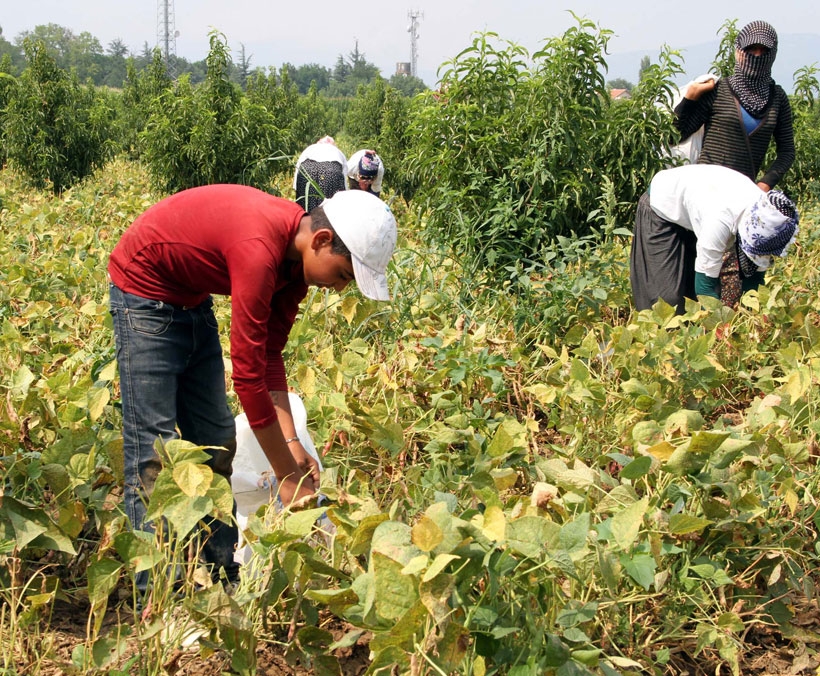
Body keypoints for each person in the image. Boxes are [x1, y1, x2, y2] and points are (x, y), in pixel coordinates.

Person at [108, 186, 397, 588]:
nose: (341, 288)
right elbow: (246, 377)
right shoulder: (260, 249)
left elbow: (268, 356)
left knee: (216, 439)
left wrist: (293, 446)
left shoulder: (295, 269)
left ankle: (225, 574)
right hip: (143, 292)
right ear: (322, 240)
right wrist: (286, 476)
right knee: (152, 452)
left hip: (191, 299)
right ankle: (156, 594)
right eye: (344, 274)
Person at [672, 20, 796, 307]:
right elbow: (678, 132)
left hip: (747, 198)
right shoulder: (719, 90)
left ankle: (743, 330)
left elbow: (786, 152)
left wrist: (764, 185)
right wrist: (689, 99)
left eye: (762, 51)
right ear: (737, 52)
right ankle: (705, 326)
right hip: (708, 190)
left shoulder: (777, 99)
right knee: (708, 262)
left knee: (750, 265)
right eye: (749, 49)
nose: (755, 56)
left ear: (772, 55)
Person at [630, 164, 798, 314]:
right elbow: (705, 288)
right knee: (666, 300)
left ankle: (691, 337)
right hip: (663, 203)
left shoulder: (768, 219)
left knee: (691, 293)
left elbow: (754, 281)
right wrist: (717, 330)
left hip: (697, 203)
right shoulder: (718, 221)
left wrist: (752, 317)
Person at [294, 136, 348, 212]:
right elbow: (343, 189)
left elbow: (296, 184)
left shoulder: (309, 149)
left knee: (306, 207)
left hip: (307, 168)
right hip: (331, 169)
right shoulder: (337, 151)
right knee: (329, 210)